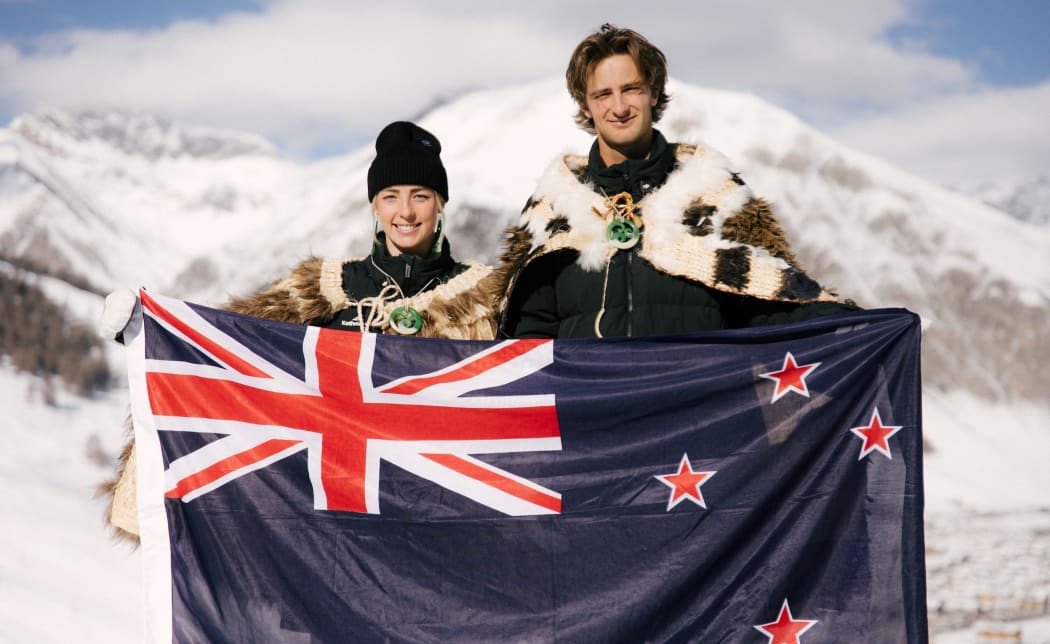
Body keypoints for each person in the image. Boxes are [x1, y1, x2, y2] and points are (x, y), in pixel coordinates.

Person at [99, 120, 499, 543]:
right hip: (335, 523)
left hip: (440, 513)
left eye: (420, 196)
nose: (405, 212)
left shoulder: (488, 297)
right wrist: (146, 330)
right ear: (374, 207)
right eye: (390, 197)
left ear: (440, 203)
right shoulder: (321, 290)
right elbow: (226, 350)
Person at [495, 24, 856, 338]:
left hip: (699, 413)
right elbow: (530, 339)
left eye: (631, 89)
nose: (619, 107)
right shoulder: (553, 211)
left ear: (654, 92)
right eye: (603, 94)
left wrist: (859, 330)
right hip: (588, 416)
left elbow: (773, 302)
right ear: (585, 106)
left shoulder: (715, 198)